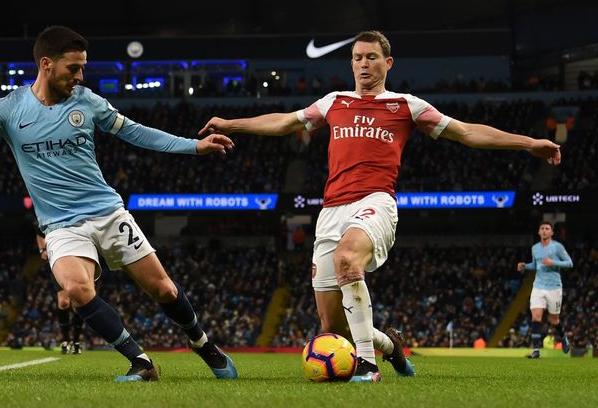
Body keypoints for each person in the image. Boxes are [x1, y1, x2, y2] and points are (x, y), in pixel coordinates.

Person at [198, 30, 561, 383]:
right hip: (331, 210)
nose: (363, 64)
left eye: (371, 57)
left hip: (376, 202)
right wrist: (232, 123)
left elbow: (466, 132)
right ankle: (391, 346)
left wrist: (528, 143)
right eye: (357, 58)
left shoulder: (406, 106)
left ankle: (368, 366)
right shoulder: (333, 102)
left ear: (388, 63)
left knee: (347, 260)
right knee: (332, 327)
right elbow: (284, 122)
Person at [0, 25, 237, 382]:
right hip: (61, 225)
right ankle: (141, 362)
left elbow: (134, 131)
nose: (80, 75)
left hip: (108, 213)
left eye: (82, 67)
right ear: (46, 64)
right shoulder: (8, 109)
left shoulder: (88, 102)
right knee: (75, 289)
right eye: (73, 68)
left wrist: (193, 146)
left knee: (163, 289)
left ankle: (202, 344)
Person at [517, 221, 573, 358]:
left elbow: (569, 263)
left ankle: (563, 337)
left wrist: (553, 262)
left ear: (552, 232)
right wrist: (525, 266)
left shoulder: (557, 247)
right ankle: (536, 351)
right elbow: (536, 265)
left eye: (547, 228)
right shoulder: (535, 248)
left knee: (554, 320)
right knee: (536, 317)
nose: (544, 230)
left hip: (554, 287)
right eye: (542, 228)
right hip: (538, 286)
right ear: (538, 232)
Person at [35, 225, 84, 354]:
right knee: (63, 302)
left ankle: (76, 341)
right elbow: (39, 231)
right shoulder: (52, 217)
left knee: (79, 301)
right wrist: (42, 250)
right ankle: (66, 341)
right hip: (59, 261)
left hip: (80, 258)